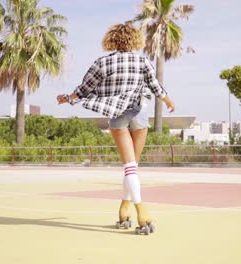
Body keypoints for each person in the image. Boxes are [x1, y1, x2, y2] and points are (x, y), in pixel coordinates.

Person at [57, 23, 175, 234]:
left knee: (130, 167)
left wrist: (67, 98)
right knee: (133, 167)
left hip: (117, 116)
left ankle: (128, 208)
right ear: (134, 40)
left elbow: (84, 89)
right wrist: (168, 101)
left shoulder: (102, 62)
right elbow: (155, 86)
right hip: (139, 114)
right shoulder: (142, 61)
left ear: (111, 40)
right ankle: (138, 210)